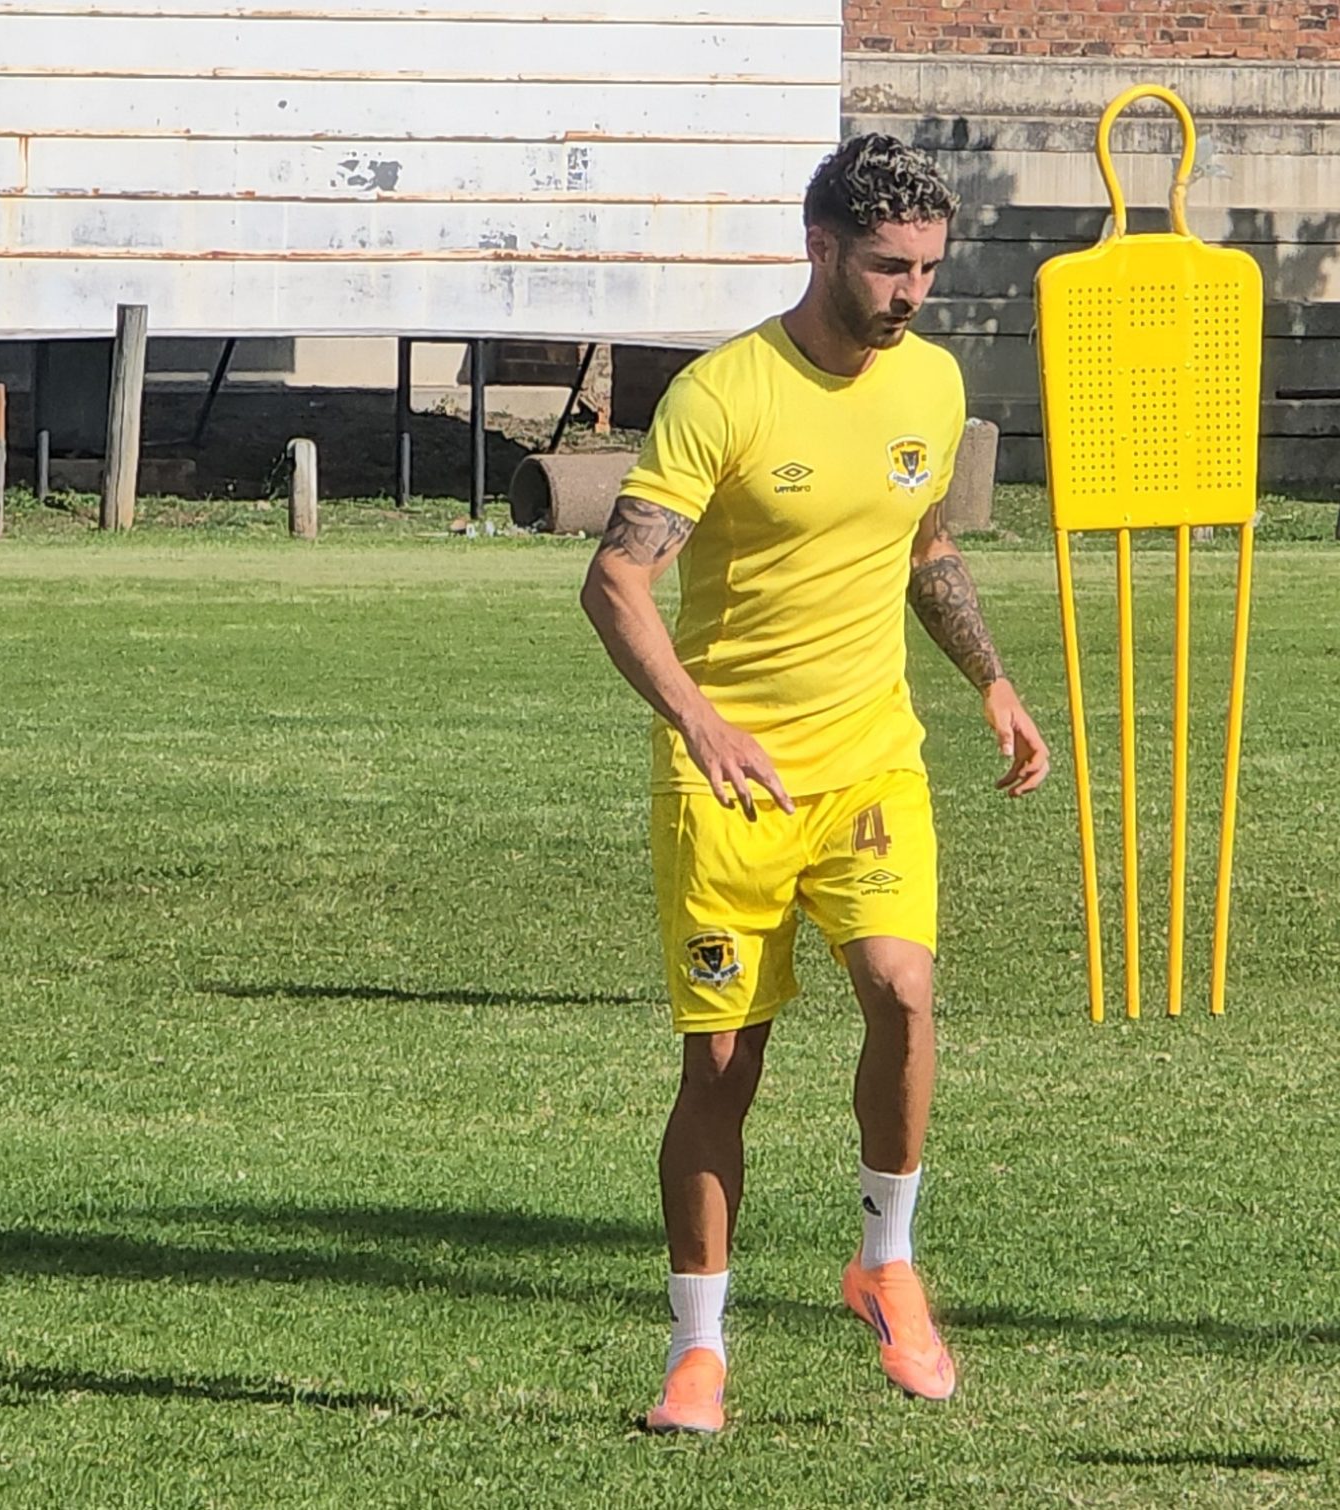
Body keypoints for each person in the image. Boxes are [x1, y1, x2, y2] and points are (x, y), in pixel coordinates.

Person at [580, 134, 1051, 1436]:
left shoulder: (933, 385)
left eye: (927, 272)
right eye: (890, 268)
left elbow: (925, 540)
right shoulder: (724, 396)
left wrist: (993, 685)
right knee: (724, 1064)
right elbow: (615, 583)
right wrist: (700, 719)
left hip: (870, 760)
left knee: (903, 987)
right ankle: (698, 1350)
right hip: (727, 787)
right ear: (821, 246)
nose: (910, 295)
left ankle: (885, 1258)